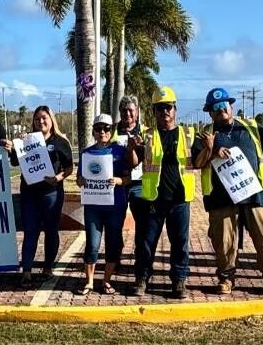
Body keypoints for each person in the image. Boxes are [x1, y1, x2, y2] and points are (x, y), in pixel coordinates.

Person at [192, 87, 263, 295]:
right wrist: (211, 149)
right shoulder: (206, 134)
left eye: (224, 105)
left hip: (254, 193)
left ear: (231, 106)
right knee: (224, 240)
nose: (221, 109)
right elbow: (197, 163)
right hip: (220, 197)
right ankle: (226, 277)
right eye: (215, 107)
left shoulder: (249, 126)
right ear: (209, 112)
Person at [126, 86, 195, 299]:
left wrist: (211, 148)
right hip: (153, 200)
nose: (164, 112)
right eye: (159, 108)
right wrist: (131, 148)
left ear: (175, 109)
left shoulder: (188, 134)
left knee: (180, 244)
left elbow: (201, 161)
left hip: (180, 199)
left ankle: (179, 281)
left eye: (168, 107)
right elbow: (133, 163)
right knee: (146, 244)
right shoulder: (145, 136)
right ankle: (142, 279)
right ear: (153, 111)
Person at [10, 105, 73, 286]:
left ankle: (48, 267)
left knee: (51, 231)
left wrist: (58, 178)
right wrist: (16, 146)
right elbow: (15, 161)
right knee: (30, 232)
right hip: (29, 193)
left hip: (51, 193)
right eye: (37, 119)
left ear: (51, 119)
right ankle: (27, 272)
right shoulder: (27, 140)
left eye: (44, 117)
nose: (41, 121)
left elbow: (69, 168)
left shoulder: (61, 141)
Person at [76, 114, 128, 296]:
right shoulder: (86, 153)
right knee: (92, 243)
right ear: (93, 131)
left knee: (113, 243)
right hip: (93, 206)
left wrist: (119, 180)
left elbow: (129, 178)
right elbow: (78, 179)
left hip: (115, 205)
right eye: (98, 129)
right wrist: (81, 181)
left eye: (106, 128)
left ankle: (106, 280)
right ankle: (89, 281)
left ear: (111, 130)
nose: (102, 132)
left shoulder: (120, 151)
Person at [113, 96, 146, 263]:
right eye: (124, 110)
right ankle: (115, 259)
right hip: (117, 184)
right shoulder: (111, 131)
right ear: (120, 112)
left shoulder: (146, 132)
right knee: (115, 225)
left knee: (143, 226)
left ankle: (141, 261)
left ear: (137, 112)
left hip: (139, 184)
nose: (127, 114)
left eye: (131, 110)